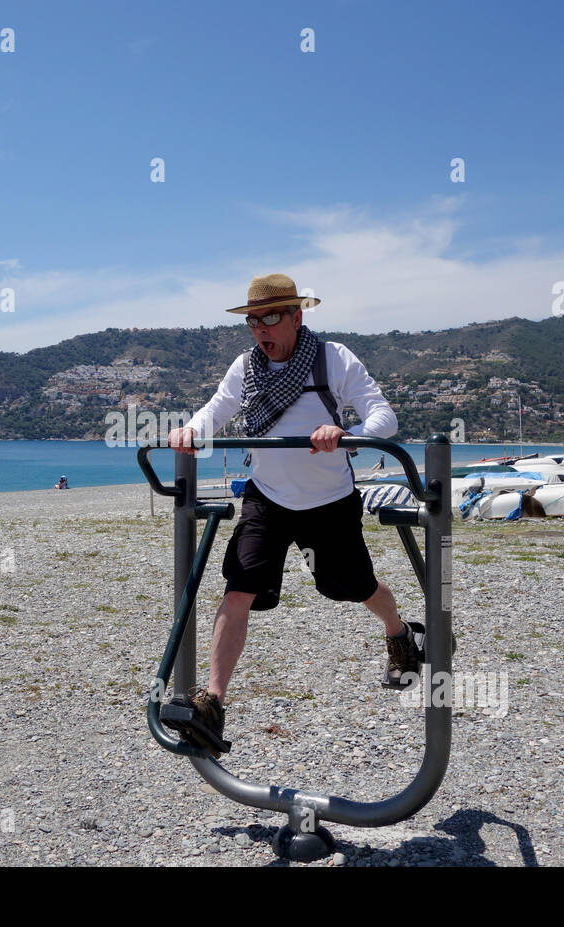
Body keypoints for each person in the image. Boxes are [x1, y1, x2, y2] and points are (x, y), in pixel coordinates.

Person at [163, 273, 419, 754]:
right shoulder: (246, 368)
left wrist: (345, 433)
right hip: (269, 498)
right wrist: (191, 431)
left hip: (329, 501)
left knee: (354, 586)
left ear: (297, 317)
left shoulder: (333, 358)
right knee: (239, 586)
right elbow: (216, 410)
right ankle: (213, 703)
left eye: (272, 318)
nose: (262, 329)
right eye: (254, 321)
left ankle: (400, 632)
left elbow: (383, 416)